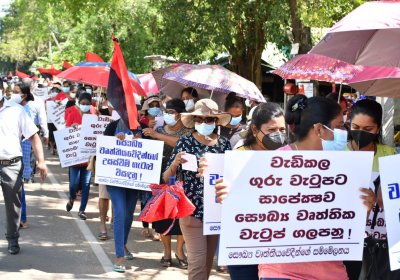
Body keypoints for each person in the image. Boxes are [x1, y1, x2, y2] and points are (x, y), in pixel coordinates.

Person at [199, 102, 287, 280]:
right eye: (271, 130)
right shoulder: (239, 155)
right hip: (243, 239)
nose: (278, 135)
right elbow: (219, 193)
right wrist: (209, 174)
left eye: (282, 130)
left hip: (277, 240)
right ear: (255, 130)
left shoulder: (290, 156)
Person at [163, 99, 232, 280]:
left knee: (207, 262)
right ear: (193, 121)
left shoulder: (224, 144)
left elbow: (232, 175)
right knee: (198, 262)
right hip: (190, 210)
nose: (203, 123)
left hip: (216, 210)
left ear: (216, 122)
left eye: (208, 120)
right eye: (199, 120)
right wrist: (176, 162)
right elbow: (166, 177)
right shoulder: (184, 143)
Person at [344, 99, 400, 280]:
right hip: (348, 240)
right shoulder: (338, 156)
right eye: (355, 127)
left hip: (383, 242)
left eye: (368, 130)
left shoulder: (390, 154)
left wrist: (390, 199)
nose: (360, 134)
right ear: (348, 124)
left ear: (378, 129)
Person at [143, 98, 193, 269]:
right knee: (163, 216)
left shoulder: (188, 132)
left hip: (183, 181)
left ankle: (180, 250)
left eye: (171, 112)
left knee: (182, 217)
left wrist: (157, 135)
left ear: (180, 115)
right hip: (161, 179)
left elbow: (180, 145)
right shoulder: (157, 129)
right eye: (166, 112)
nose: (168, 115)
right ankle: (166, 251)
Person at [0, 95, 48, 254]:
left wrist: (41, 161)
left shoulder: (16, 111)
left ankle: (12, 238)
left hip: (11, 164)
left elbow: (34, 136)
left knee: (13, 205)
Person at [103, 117, 141, 273]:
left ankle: (123, 244)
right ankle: (119, 256)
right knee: (119, 212)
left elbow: (152, 149)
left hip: (134, 180)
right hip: (115, 179)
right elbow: (103, 149)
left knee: (128, 214)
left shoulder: (142, 126)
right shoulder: (112, 126)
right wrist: (114, 141)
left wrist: (142, 139)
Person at [65, 93, 96, 220]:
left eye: (87, 104)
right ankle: (72, 197)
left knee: (86, 184)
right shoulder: (72, 114)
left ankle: (82, 210)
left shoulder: (94, 117)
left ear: (91, 104)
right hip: (75, 157)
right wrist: (71, 128)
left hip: (88, 158)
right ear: (78, 102)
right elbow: (65, 134)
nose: (85, 106)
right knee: (73, 184)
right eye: (82, 103)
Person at [139, 95, 164, 241]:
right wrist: (148, 129)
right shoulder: (140, 123)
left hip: (159, 164)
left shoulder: (163, 122)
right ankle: (145, 227)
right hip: (145, 164)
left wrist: (156, 131)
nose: (155, 107)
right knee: (145, 197)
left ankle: (156, 227)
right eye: (152, 105)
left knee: (156, 196)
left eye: (157, 105)